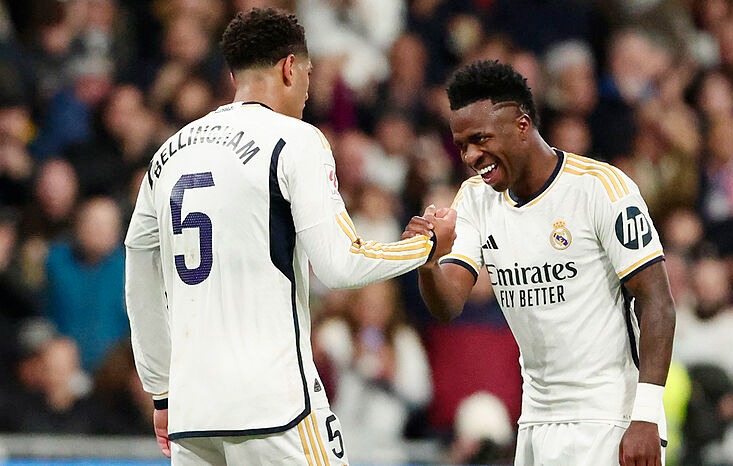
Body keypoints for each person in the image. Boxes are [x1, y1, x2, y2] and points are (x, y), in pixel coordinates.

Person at [124, 8, 455, 465]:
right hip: (272, 405)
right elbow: (340, 264)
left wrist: (161, 391)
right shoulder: (294, 140)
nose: (306, 92)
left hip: (192, 411)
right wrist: (429, 245)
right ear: (289, 67)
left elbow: (140, 278)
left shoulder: (167, 155)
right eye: (307, 75)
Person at [407, 60, 676, 465]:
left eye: (480, 139)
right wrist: (428, 262)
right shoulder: (475, 200)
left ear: (521, 125)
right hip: (535, 419)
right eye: (462, 145)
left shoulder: (601, 189)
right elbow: (448, 305)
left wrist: (647, 415)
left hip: (608, 416)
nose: (471, 155)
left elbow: (657, 300)